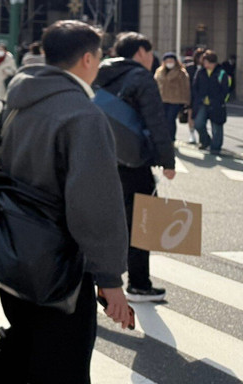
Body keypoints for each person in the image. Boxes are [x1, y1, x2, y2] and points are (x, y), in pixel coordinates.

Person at [0, 20, 132, 384]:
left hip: (13, 250)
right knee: (62, 365)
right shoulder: (83, 115)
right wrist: (109, 276)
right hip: (60, 265)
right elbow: (94, 203)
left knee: (22, 347)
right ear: (87, 59)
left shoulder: (18, 101)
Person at [95, 32, 176, 304]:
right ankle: (139, 284)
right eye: (150, 52)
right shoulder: (141, 77)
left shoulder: (99, 72)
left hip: (100, 158)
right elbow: (156, 122)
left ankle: (98, 281)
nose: (152, 58)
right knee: (141, 222)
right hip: (134, 163)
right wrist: (168, 161)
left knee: (104, 222)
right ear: (140, 51)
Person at [192, 49, 232, 155]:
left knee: (217, 126)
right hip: (202, 103)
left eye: (206, 62)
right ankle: (205, 141)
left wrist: (219, 100)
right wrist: (197, 98)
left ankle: (215, 147)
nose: (205, 65)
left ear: (212, 62)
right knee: (198, 124)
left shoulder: (221, 73)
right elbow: (195, 86)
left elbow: (225, 89)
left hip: (216, 104)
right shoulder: (201, 72)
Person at [155, 52, 191, 143]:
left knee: (170, 119)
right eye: (167, 61)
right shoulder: (159, 72)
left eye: (171, 61)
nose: (169, 63)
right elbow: (155, 85)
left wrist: (186, 101)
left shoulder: (181, 72)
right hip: (162, 99)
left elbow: (185, 87)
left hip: (176, 100)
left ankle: (171, 139)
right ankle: (165, 138)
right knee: (163, 120)